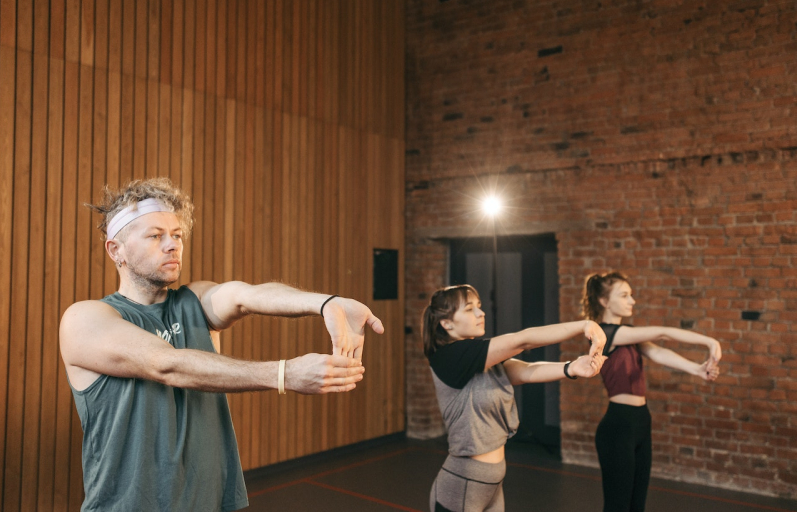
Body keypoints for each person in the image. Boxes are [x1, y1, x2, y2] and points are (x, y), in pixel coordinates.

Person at [58, 177, 384, 511]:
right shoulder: (85, 319)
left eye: (177, 235)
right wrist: (285, 374)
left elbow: (249, 295)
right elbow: (166, 364)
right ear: (117, 250)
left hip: (212, 503)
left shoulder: (195, 301)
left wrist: (326, 303)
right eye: (156, 236)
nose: (172, 245)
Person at [422, 284, 608, 512]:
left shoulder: (480, 357)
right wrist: (584, 325)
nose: (481, 313)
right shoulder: (449, 357)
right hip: (461, 486)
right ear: (446, 323)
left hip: (492, 484)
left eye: (480, 307)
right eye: (470, 309)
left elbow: (524, 371)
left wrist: (571, 368)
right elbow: (522, 341)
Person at [582, 272, 722, 512]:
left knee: (637, 506)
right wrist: (709, 342)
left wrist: (697, 369)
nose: (632, 301)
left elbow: (658, 352)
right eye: (624, 295)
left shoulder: (629, 334)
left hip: (641, 422)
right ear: (604, 302)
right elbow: (662, 333)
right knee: (617, 506)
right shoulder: (606, 334)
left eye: (631, 295)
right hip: (618, 426)